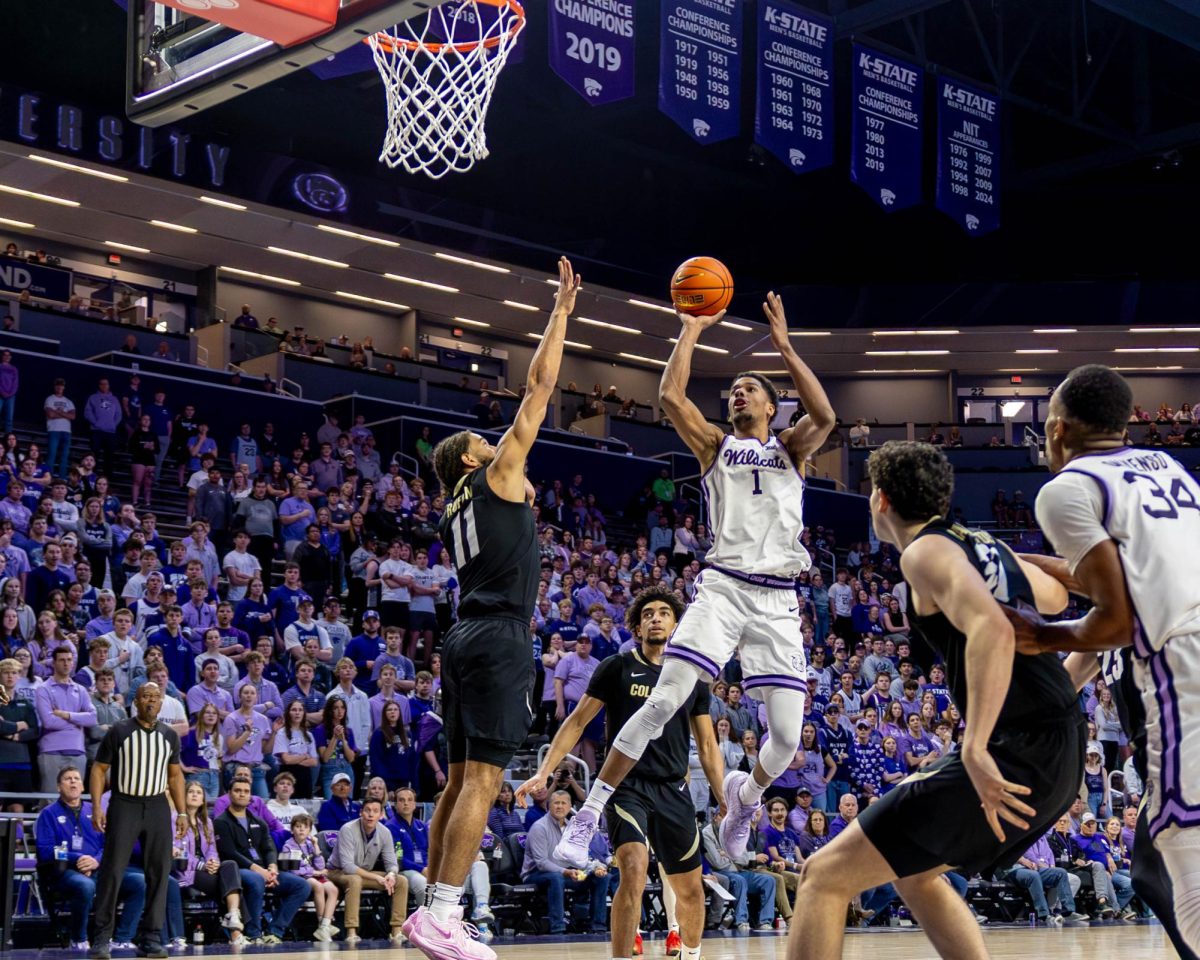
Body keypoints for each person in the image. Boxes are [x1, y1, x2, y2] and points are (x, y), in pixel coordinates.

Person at [558, 291, 835, 870]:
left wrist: (783, 345)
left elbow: (827, 417)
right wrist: (690, 329)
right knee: (664, 700)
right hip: (724, 588)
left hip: (779, 599)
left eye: (749, 389)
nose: (737, 393)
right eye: (732, 390)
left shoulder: (791, 449)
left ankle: (744, 800)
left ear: (771, 405)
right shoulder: (716, 445)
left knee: (785, 740)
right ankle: (588, 818)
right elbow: (668, 396)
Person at [785, 440, 1083, 960]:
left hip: (1016, 747)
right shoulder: (973, 548)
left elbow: (992, 627)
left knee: (821, 877)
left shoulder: (924, 551)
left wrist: (975, 747)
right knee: (915, 873)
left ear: (879, 499)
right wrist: (1007, 558)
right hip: (1059, 744)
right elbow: (1061, 593)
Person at [404, 258, 580, 960]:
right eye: (487, 442)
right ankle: (445, 913)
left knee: (457, 778)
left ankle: (431, 906)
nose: (496, 440)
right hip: (500, 633)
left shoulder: (454, 509)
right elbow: (540, 388)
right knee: (484, 778)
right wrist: (561, 312)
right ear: (477, 462)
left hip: (462, 635)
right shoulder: (498, 476)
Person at [1003, 364, 1200, 960]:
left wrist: (1041, 635)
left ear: (1057, 429)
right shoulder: (1171, 469)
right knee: (1160, 861)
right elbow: (1121, 580)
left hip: (1182, 672)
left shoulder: (1065, 489)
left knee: (1183, 865)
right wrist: (1026, 561)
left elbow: (1115, 621)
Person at [517, 586, 723, 960]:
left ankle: (691, 955)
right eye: (647, 614)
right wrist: (544, 771)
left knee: (690, 888)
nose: (655, 618)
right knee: (633, 865)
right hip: (625, 786)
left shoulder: (693, 677)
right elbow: (578, 721)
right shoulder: (617, 666)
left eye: (663, 613)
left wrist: (725, 800)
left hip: (674, 788)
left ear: (677, 625)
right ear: (637, 626)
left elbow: (708, 745)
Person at [88, 682, 187, 960]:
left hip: (157, 806)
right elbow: (99, 769)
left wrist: (181, 812)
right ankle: (102, 938)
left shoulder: (169, 736)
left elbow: (176, 775)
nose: (151, 701)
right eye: (146, 696)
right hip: (124, 803)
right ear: (137, 701)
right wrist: (97, 806)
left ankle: (151, 937)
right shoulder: (120, 730)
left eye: (156, 697)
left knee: (159, 872)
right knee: (112, 871)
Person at [36, 766, 147, 952]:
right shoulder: (48, 813)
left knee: (140, 882)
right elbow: (45, 851)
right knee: (84, 885)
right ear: (58, 787)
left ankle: (122, 938)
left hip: (98, 868)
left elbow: (109, 844)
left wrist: (96, 860)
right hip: (65, 872)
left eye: (77, 778)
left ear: (83, 786)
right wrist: (78, 859)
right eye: (68, 779)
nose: (73, 781)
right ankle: (78, 938)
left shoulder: (94, 810)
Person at [213, 778, 309, 945]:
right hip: (237, 872)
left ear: (250, 796)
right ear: (229, 794)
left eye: (246, 791)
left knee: (302, 885)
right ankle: (253, 933)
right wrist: (261, 872)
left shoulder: (259, 821)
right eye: (237, 790)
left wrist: (272, 867)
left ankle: (275, 931)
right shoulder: (221, 822)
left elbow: (269, 848)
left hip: (265, 871)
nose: (242, 794)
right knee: (256, 880)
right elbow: (229, 853)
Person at [520, 790, 613, 936]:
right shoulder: (539, 827)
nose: (560, 807)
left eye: (563, 803)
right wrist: (566, 872)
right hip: (536, 874)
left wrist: (595, 868)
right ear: (549, 806)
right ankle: (558, 928)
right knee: (555, 878)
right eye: (556, 803)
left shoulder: (573, 828)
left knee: (602, 878)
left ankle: (598, 927)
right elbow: (542, 862)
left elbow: (578, 857)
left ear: (570, 806)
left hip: (565, 873)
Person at [327, 796, 409, 944]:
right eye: (367, 810)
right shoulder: (347, 829)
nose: (371, 814)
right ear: (361, 813)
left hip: (364, 873)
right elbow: (348, 866)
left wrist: (390, 874)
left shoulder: (385, 832)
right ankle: (351, 932)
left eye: (375, 811)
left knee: (401, 881)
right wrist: (377, 878)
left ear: (381, 814)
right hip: (338, 872)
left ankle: (397, 930)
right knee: (354, 880)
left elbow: (392, 862)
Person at [174, 780, 246, 942]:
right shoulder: (175, 820)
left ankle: (233, 915)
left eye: (198, 793)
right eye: (191, 791)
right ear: (183, 796)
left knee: (230, 865)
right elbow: (177, 850)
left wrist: (213, 862)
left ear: (202, 801)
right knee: (230, 887)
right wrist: (202, 865)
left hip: (207, 871)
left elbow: (212, 848)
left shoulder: (206, 823)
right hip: (186, 872)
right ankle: (238, 932)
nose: (194, 795)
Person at [279, 812, 339, 942]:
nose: (301, 829)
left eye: (305, 827)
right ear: (292, 829)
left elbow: (321, 865)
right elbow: (292, 870)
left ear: (310, 830)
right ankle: (320, 922)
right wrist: (313, 872)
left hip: (313, 874)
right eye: (298, 826)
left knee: (333, 889)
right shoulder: (287, 846)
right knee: (318, 886)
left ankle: (325, 925)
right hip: (301, 877)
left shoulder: (310, 844)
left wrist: (316, 847)